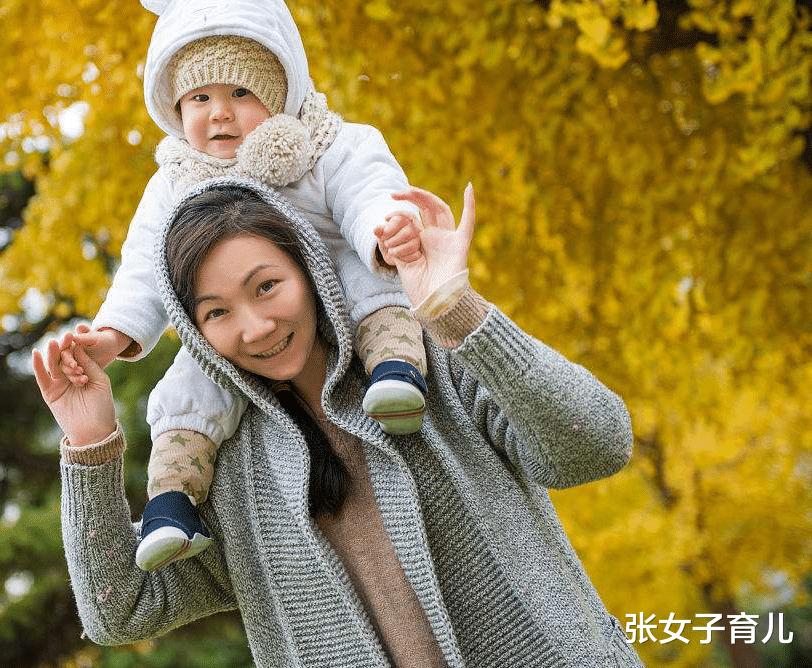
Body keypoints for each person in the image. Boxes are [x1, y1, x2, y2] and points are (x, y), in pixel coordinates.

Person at [34, 177, 645, 668]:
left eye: (267, 286)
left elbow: (597, 445)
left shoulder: (426, 361)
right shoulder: (226, 466)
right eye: (217, 312)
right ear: (195, 333)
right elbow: (119, 610)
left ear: (312, 270)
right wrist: (91, 446)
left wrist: (456, 309)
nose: (255, 327)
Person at [59, 0, 433, 572]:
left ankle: (395, 369)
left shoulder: (325, 142)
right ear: (176, 109)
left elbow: (368, 189)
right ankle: (173, 500)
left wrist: (385, 231)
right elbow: (146, 267)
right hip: (240, 328)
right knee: (188, 382)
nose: (219, 112)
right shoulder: (175, 182)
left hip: (340, 283)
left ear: (279, 93)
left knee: (374, 282)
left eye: (241, 92)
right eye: (199, 97)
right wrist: (115, 332)